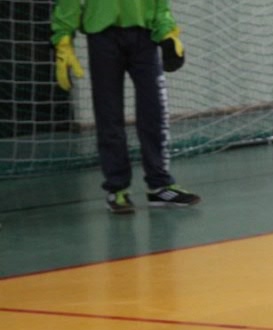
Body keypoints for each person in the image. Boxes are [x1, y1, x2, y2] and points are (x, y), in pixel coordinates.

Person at [52, 0, 200, 215]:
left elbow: (159, 4)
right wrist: (63, 36)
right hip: (102, 35)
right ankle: (117, 188)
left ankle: (160, 185)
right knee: (108, 114)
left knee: (153, 111)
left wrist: (167, 32)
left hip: (144, 36)